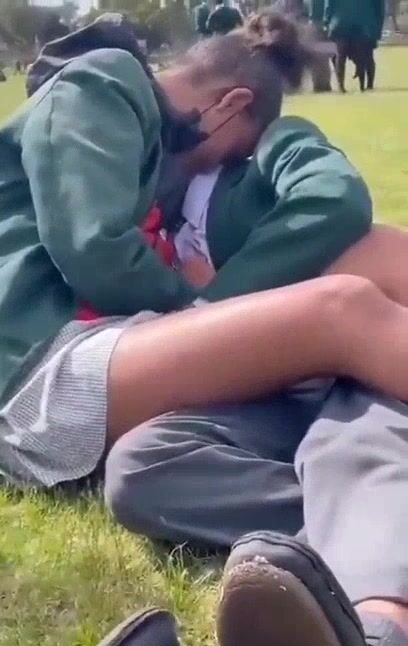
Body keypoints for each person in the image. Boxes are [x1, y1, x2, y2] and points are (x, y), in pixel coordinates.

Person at [0, 9, 373, 491]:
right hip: (37, 374)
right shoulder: (102, 84)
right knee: (338, 312)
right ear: (230, 104)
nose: (204, 173)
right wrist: (198, 306)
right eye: (226, 156)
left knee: (361, 272)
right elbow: (97, 250)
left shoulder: (144, 136)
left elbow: (332, 204)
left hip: (99, 353)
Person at [325, 0, 385, 92]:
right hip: (363, 24)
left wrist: (327, 22)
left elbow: (329, 6)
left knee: (341, 55)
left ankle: (341, 86)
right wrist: (377, 29)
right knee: (364, 55)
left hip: (340, 22)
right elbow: (379, 8)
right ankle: (365, 86)